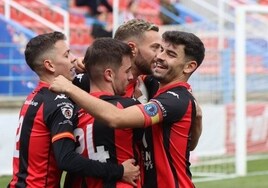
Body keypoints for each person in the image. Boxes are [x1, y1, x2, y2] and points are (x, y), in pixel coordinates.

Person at [50, 30, 204, 188]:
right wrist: (92, 62)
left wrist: (69, 88)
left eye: (170, 54)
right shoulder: (154, 88)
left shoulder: (175, 99)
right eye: (161, 50)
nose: (159, 57)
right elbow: (188, 144)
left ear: (189, 67)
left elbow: (117, 118)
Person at [7, 32, 139, 188]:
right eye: (66, 54)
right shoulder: (61, 104)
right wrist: (119, 170)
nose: (73, 59)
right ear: (50, 65)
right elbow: (67, 160)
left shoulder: (34, 98)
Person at [64, 38, 143, 188]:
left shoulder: (71, 111)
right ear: (109, 75)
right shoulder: (127, 107)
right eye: (127, 71)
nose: (131, 77)